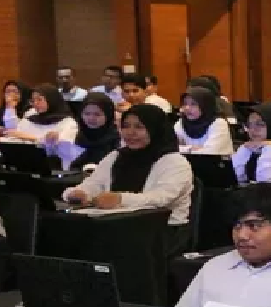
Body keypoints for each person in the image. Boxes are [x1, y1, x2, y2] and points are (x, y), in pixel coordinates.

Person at [64, 105, 193, 237]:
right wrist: (80, 193)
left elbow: (160, 198)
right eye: (125, 126)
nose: (130, 132)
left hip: (162, 231)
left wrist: (120, 199)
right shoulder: (116, 156)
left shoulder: (175, 162)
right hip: (115, 224)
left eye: (139, 127)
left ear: (156, 130)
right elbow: (94, 183)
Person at [8, 84, 80, 169]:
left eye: (39, 99)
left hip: (54, 168)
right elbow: (16, 142)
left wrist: (32, 138)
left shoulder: (68, 122)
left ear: (52, 100)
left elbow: (64, 151)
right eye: (32, 101)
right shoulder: (27, 121)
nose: (35, 104)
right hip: (26, 165)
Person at [174, 86, 235, 156]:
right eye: (185, 104)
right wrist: (190, 148)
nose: (187, 108)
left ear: (205, 105)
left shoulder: (218, 123)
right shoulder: (180, 123)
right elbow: (171, 150)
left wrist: (184, 149)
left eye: (193, 104)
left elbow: (210, 153)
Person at [69, 92, 121, 171]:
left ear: (108, 115)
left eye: (97, 114)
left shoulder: (117, 140)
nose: (91, 118)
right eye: (87, 114)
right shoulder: (75, 135)